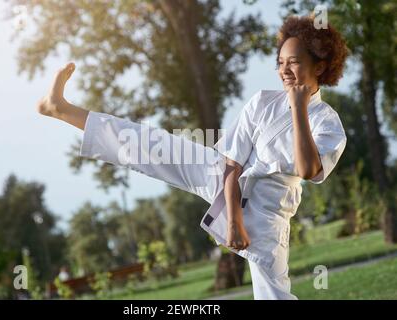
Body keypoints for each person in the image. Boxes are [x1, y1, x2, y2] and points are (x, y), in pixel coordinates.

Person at [37, 15, 348, 300]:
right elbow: (232, 162)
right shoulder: (262, 102)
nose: (284, 70)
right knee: (151, 145)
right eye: (280, 63)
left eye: (293, 62)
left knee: (274, 297)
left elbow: (309, 170)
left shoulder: (327, 121)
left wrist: (298, 108)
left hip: (268, 215)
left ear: (319, 66)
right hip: (224, 180)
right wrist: (233, 221)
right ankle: (62, 109)